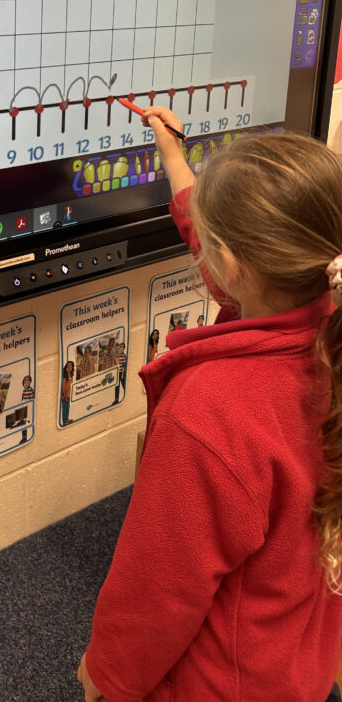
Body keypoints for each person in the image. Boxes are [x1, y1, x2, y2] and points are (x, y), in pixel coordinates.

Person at [77, 106, 342, 702]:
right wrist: (173, 156)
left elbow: (158, 587)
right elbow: (224, 241)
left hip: (221, 683)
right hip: (296, 661)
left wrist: (108, 678)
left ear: (227, 267)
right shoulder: (330, 324)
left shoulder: (212, 411)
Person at [61, 360, 75, 425]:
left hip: (69, 394)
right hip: (65, 395)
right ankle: (64, 421)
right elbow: (63, 388)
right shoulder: (64, 377)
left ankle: (67, 418)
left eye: (71, 367)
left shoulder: (71, 376)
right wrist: (65, 396)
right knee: (65, 407)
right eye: (68, 367)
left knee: (68, 407)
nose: (69, 368)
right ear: (66, 368)